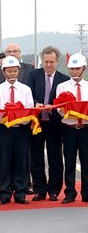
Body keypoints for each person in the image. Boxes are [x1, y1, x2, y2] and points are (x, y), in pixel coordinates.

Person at [26, 46, 69, 202]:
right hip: (36, 123)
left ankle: (54, 190)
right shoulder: (33, 75)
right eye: (46, 61)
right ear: (42, 60)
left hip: (54, 124)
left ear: (57, 61)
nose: (49, 65)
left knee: (55, 158)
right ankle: (39, 189)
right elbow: (27, 95)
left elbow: (65, 104)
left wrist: (53, 109)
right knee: (36, 157)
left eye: (52, 62)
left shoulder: (63, 80)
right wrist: (35, 105)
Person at [0, 56, 34, 205]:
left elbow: (30, 109)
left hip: (22, 129)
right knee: (4, 160)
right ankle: (5, 193)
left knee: (21, 160)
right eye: (9, 71)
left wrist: (19, 116)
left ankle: (20, 193)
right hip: (4, 129)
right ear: (3, 72)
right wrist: (9, 115)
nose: (12, 74)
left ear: (19, 71)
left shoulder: (26, 89)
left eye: (15, 71)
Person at [56, 53, 88, 204]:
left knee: (86, 161)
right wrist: (71, 111)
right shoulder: (62, 87)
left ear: (84, 69)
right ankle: (69, 192)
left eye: (77, 68)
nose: (74, 71)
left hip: (86, 129)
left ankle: (86, 192)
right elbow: (59, 109)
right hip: (69, 128)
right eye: (72, 69)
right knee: (69, 161)